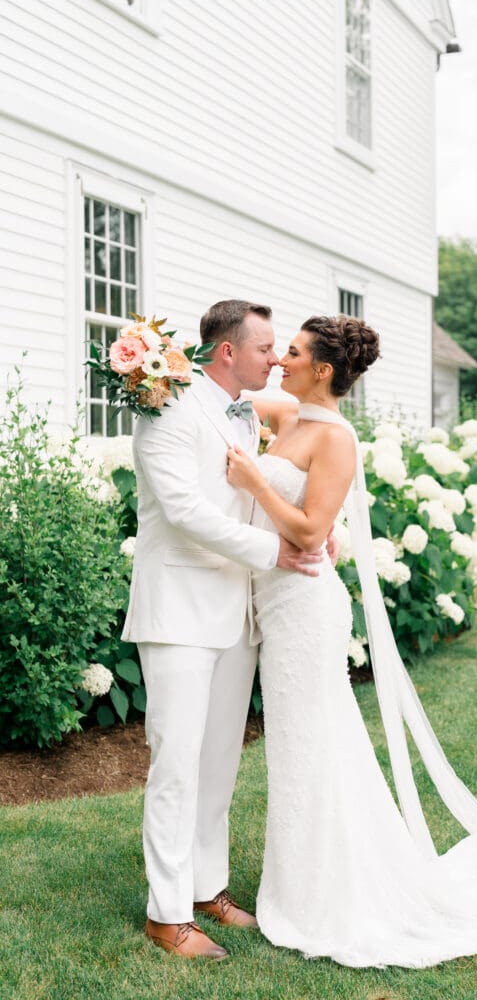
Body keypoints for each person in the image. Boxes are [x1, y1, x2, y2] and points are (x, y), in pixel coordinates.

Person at [224, 314, 477, 969]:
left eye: (291, 353)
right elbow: (230, 394)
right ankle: (309, 883)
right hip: (276, 605)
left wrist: (255, 483)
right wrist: (159, 368)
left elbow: (307, 531)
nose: (280, 362)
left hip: (303, 605)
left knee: (311, 746)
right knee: (303, 749)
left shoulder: (333, 438)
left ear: (323, 370)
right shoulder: (289, 413)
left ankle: (324, 897)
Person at [121, 300, 325, 960]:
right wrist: (273, 553)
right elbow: (182, 511)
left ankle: (207, 888)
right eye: (266, 348)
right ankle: (165, 914)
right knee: (176, 764)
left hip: (234, 613)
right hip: (179, 610)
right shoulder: (166, 409)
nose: (275, 358)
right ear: (226, 352)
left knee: (217, 766)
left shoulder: (243, 412)